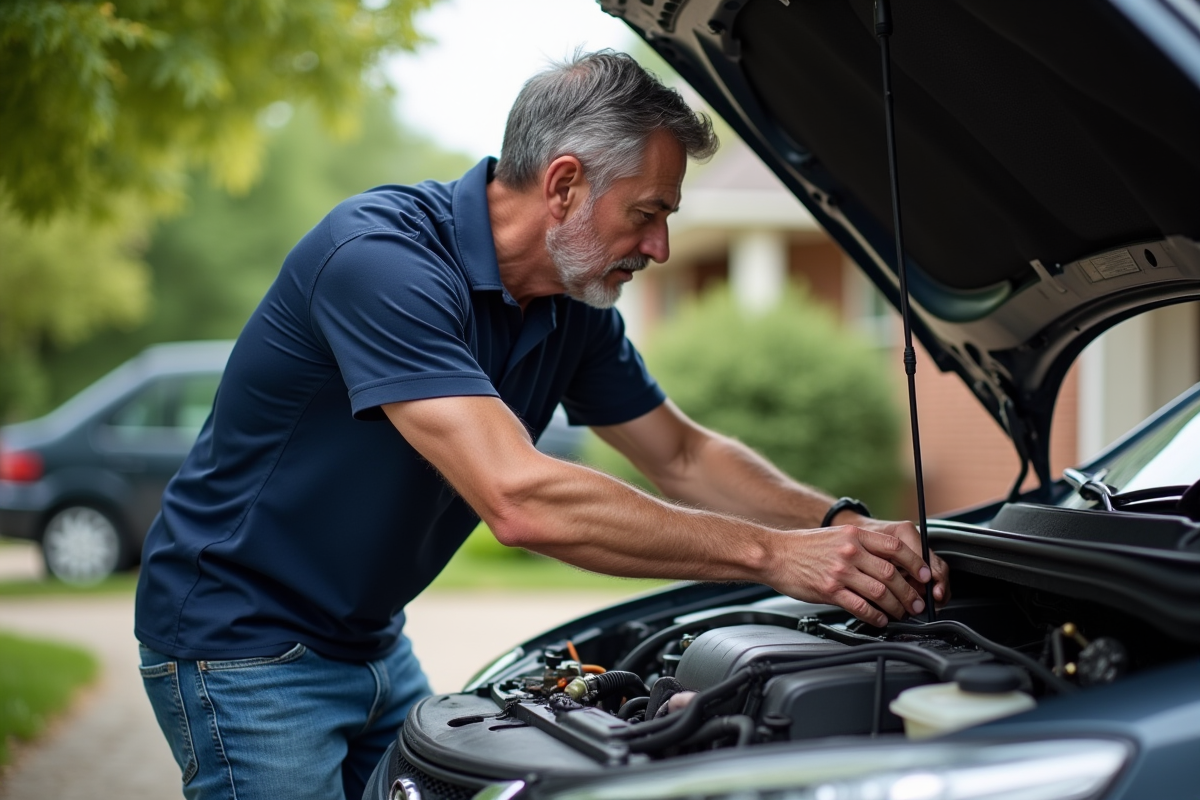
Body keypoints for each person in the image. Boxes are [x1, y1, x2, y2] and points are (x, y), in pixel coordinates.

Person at [135, 50, 948, 800]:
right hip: (242, 641)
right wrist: (773, 557)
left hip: (370, 639)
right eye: (646, 213)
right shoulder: (379, 260)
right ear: (563, 185)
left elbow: (684, 453)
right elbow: (520, 499)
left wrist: (842, 529)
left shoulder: (573, 305)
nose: (660, 246)